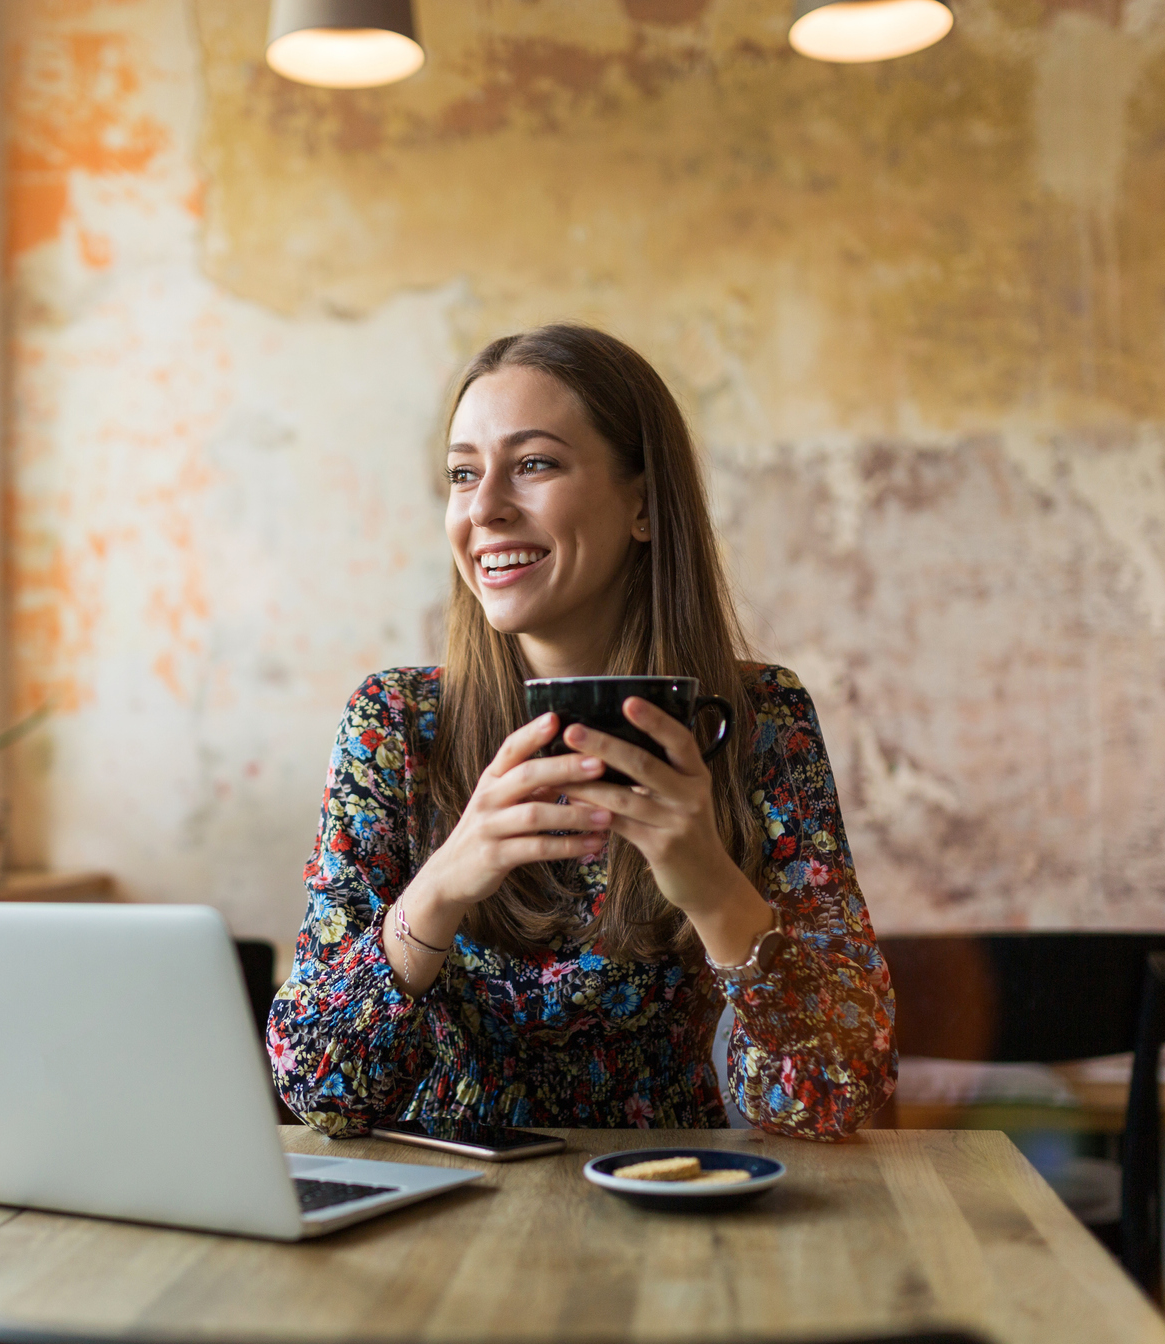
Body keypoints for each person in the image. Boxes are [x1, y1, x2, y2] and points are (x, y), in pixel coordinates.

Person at [265, 324, 894, 1139]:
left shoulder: (758, 722)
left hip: (665, 1201)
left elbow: (836, 1094)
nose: (484, 507)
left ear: (641, 503)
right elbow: (319, 1089)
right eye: (462, 473)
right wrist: (447, 879)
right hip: (437, 1218)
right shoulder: (395, 725)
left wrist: (707, 881)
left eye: (533, 464)